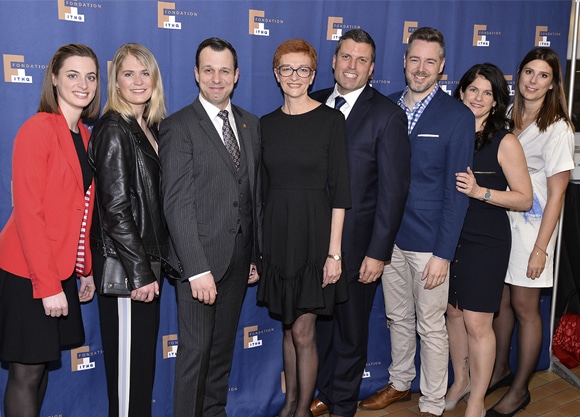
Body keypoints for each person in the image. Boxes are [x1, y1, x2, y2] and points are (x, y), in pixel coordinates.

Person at [359, 27, 474, 417]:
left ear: (442, 66)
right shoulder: (386, 105)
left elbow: (457, 191)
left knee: (430, 324)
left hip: (429, 244)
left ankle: (433, 402)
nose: (421, 68)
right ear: (404, 61)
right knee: (397, 318)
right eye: (414, 59)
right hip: (386, 239)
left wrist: (444, 253)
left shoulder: (457, 116)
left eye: (430, 61)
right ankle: (400, 383)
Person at [308, 29, 410, 417]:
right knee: (321, 327)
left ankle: (342, 405)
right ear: (334, 61)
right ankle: (326, 390)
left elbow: (393, 192)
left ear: (372, 68)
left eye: (362, 59)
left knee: (350, 332)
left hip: (358, 248)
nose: (352, 65)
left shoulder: (387, 115)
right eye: (346, 57)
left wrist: (378, 253)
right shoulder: (312, 102)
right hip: (312, 244)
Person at [158, 37, 261, 417]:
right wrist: (196, 269)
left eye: (224, 71)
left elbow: (252, 195)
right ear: (196, 75)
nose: (217, 79)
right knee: (195, 354)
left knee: (220, 352)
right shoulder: (178, 126)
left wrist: (254, 255)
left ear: (236, 75)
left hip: (238, 259)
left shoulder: (250, 124)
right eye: (208, 70)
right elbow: (176, 203)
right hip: (199, 263)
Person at [0, 43, 100, 417]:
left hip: (59, 270)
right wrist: (48, 286)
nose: (83, 84)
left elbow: (81, 209)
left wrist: (83, 267)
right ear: (54, 79)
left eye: (90, 76)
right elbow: (29, 213)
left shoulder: (84, 135)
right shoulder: (38, 129)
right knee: (26, 373)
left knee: (40, 368)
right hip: (28, 272)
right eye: (73, 75)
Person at [256, 39, 351, 417]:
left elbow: (341, 192)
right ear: (276, 74)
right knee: (287, 327)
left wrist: (334, 254)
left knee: (303, 331)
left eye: (303, 70)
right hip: (278, 238)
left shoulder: (331, 121)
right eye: (287, 69)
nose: (294, 76)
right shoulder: (265, 125)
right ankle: (290, 403)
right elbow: (261, 191)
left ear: (313, 75)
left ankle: (301, 411)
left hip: (315, 238)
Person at [486, 48, 575, 417]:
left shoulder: (558, 128)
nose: (533, 81)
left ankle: (520, 389)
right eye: (528, 72)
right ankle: (500, 370)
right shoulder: (508, 114)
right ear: (518, 74)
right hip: (500, 223)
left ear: (553, 84)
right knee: (501, 301)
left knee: (525, 308)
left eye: (542, 75)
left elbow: (557, 195)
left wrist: (541, 249)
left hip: (533, 230)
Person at [445, 63, 532, 417]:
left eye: (487, 93)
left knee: (478, 323)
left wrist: (481, 192)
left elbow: (524, 198)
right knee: (453, 313)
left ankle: (478, 401)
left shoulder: (504, 141)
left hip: (485, 241)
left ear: (496, 101)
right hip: (449, 237)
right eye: (473, 90)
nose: (478, 98)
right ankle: (460, 381)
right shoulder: (450, 130)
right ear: (461, 92)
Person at [88, 43, 171, 417]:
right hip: (127, 271)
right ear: (116, 82)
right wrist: (139, 274)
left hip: (146, 266)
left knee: (139, 374)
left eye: (144, 72)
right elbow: (116, 211)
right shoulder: (113, 128)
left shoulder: (148, 127)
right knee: (127, 379)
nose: (138, 81)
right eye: (128, 74)